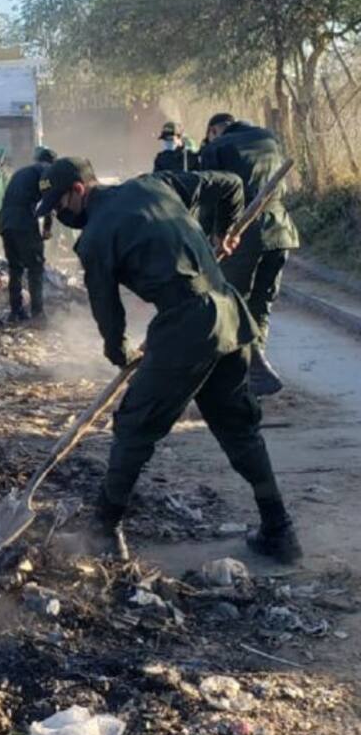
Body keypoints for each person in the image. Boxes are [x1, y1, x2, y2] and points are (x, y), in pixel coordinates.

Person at [36, 158, 301, 563]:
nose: (60, 213)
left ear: (78, 189)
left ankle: (104, 531)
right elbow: (230, 183)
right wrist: (223, 233)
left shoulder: (94, 239)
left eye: (60, 204)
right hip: (228, 314)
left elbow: (107, 313)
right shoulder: (156, 183)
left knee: (134, 426)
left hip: (186, 325)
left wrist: (120, 352)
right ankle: (279, 531)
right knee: (237, 428)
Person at [199, 112, 298, 396]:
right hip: (280, 230)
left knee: (232, 302)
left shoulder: (216, 148)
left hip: (241, 235)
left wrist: (211, 236)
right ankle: (254, 371)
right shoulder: (269, 138)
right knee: (261, 301)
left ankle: (254, 368)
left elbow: (210, 198)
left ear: (214, 130)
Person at [0, 145, 57, 322]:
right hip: (23, 221)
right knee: (35, 267)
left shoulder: (22, 172)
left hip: (5, 222)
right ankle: (38, 314)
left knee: (15, 268)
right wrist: (47, 228)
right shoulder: (46, 171)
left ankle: (15, 311)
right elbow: (49, 199)